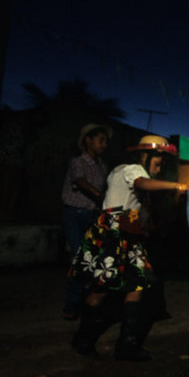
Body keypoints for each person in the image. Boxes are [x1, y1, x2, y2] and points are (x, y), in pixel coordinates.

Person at [69, 134, 189, 361]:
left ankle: (127, 345)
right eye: (158, 160)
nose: (160, 166)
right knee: (101, 288)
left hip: (128, 230)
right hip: (113, 231)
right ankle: (83, 339)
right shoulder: (130, 169)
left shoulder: (133, 176)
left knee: (136, 287)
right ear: (146, 155)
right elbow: (142, 183)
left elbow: (133, 210)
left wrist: (150, 225)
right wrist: (178, 185)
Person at [60, 123, 112, 319]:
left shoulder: (102, 166)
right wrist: (101, 197)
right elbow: (80, 182)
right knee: (80, 258)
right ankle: (72, 305)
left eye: (105, 141)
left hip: (91, 215)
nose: (104, 145)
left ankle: (82, 304)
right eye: (100, 140)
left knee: (89, 260)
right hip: (74, 214)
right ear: (88, 140)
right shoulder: (78, 162)